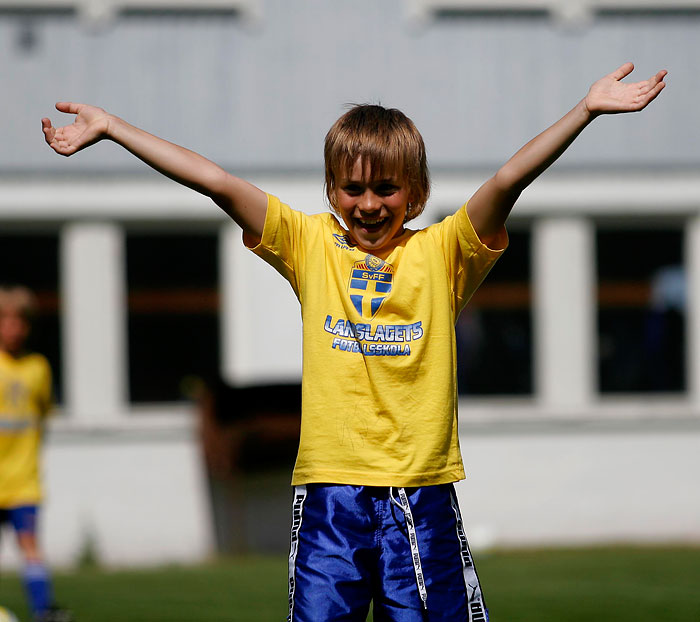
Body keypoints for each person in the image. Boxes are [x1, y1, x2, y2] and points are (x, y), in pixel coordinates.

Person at [42, 62, 666, 621]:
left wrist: (584, 112)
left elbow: (508, 180)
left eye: (387, 189)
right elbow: (217, 181)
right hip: (329, 497)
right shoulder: (310, 245)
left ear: (415, 192)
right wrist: (114, 127)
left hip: (418, 496)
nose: (369, 204)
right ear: (332, 190)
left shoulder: (444, 252)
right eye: (353, 188)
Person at [0, 286, 73, 622]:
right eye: (5, 321)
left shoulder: (37, 368)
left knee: (29, 543)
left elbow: (43, 416)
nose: (12, 329)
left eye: (19, 322)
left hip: (23, 479)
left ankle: (43, 611)